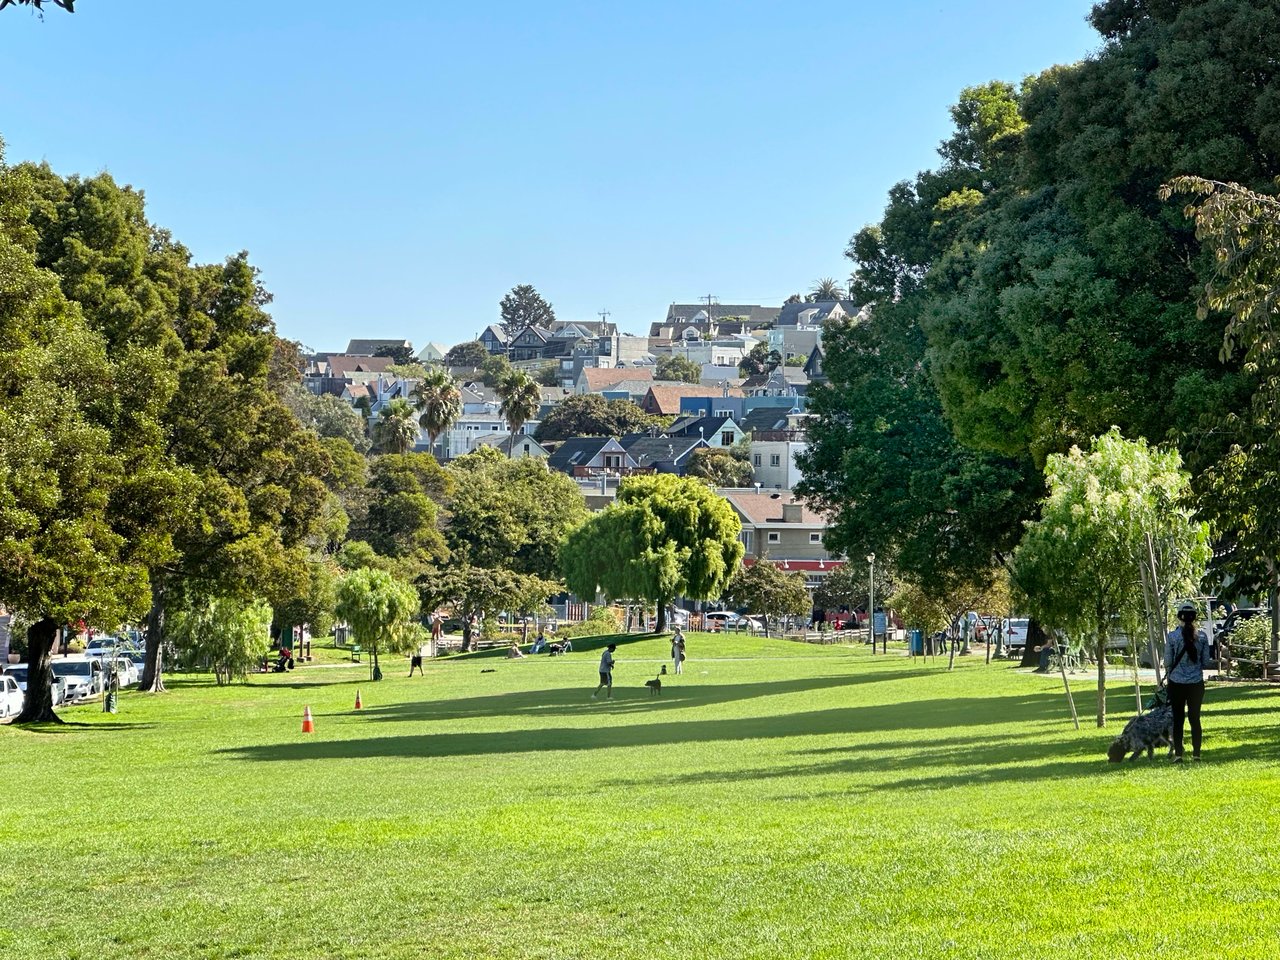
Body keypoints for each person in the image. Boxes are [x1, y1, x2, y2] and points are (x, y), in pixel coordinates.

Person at [1165, 601, 1210, 762]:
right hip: (1196, 683)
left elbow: (1168, 661)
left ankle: (1178, 755)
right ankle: (1196, 754)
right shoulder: (1203, 637)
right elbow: (1205, 661)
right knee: (1195, 718)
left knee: (1178, 719)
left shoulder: (1172, 637)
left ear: (1179, 617)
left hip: (1176, 683)